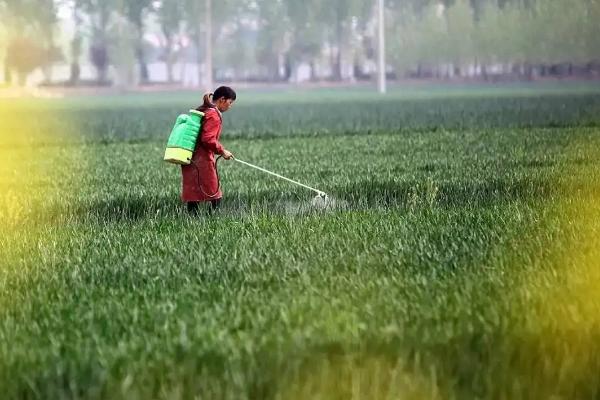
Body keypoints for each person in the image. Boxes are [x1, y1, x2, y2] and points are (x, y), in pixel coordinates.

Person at [181, 86, 236, 214]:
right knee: (215, 194)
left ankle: (192, 223)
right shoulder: (213, 115)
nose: (230, 106)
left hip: (191, 157)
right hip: (202, 160)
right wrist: (222, 151)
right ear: (222, 99)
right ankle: (213, 221)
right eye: (230, 102)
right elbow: (208, 139)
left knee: (193, 195)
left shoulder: (206, 110)